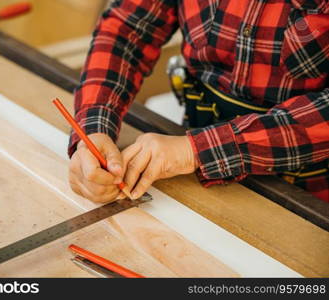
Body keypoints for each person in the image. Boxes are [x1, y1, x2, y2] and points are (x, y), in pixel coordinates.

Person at [68, 0, 329, 203]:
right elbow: (129, 30)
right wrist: (94, 128)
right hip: (188, 156)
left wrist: (196, 151)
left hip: (308, 188)